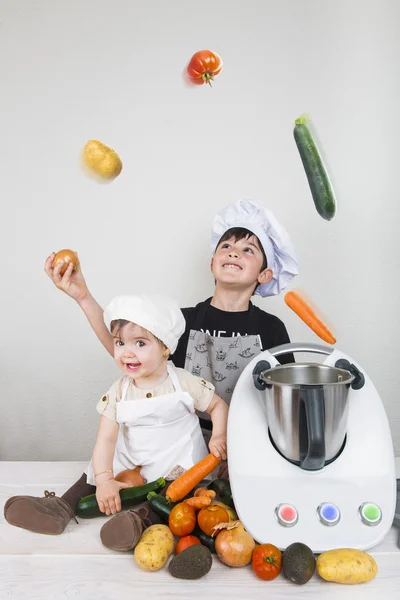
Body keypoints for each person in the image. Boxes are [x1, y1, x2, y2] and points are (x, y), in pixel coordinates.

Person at [4, 294, 228, 537]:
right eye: (120, 343)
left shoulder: (183, 382)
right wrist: (104, 480)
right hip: (134, 455)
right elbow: (106, 439)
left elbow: (217, 405)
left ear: (166, 348)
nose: (127, 353)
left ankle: (139, 522)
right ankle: (61, 508)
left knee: (175, 490)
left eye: (140, 343)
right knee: (96, 467)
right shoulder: (119, 391)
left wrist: (218, 435)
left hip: (176, 457)